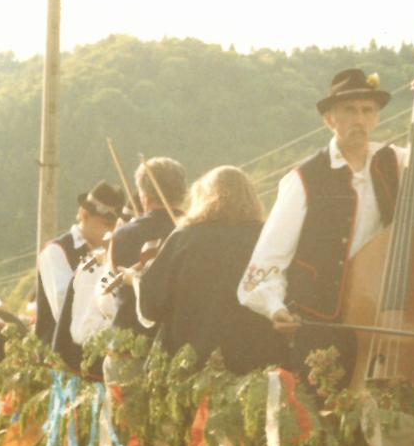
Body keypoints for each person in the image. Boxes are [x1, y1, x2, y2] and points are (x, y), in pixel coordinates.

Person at [237, 67, 414, 375]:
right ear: (330, 120)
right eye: (349, 110)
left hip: (382, 318)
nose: (359, 119)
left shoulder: (396, 162)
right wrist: (275, 307)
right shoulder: (304, 179)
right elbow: (267, 260)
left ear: (376, 118)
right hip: (321, 327)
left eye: (367, 110)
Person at [136, 166, 287, 374]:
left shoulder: (185, 237)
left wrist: (138, 277)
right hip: (258, 363)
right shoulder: (267, 238)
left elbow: (151, 307)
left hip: (193, 366)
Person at [34, 180, 126, 345]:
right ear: (84, 215)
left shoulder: (112, 252)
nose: (112, 231)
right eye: (107, 225)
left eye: (116, 226)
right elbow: (64, 311)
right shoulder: (55, 252)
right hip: (61, 354)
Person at [107, 156, 188, 335]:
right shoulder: (195, 231)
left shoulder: (123, 234)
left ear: (144, 196)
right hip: (179, 337)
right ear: (183, 192)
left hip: (130, 338)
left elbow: (112, 284)